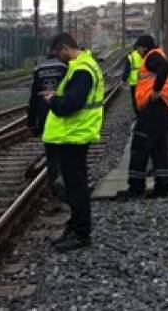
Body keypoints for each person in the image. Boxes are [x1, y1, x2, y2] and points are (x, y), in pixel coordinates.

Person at [40, 32, 104, 252]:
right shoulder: (83, 66)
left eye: (59, 53)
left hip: (75, 135)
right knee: (75, 186)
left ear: (66, 48)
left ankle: (81, 233)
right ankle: (76, 227)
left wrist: (53, 101)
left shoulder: (82, 70)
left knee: (76, 187)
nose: (59, 57)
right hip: (74, 134)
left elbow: (72, 104)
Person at [117, 35, 168, 200]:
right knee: (159, 148)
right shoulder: (159, 54)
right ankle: (162, 187)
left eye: (139, 48)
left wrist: (156, 91)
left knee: (139, 147)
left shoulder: (152, 57)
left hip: (153, 110)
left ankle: (136, 188)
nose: (138, 52)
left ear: (143, 47)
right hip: (164, 110)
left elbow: (164, 67)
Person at [27, 46, 68, 205]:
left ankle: (53, 186)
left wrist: (31, 122)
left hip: (44, 116)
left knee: (51, 155)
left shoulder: (39, 70)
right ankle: (64, 184)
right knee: (65, 153)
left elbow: (33, 99)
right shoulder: (65, 67)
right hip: (62, 114)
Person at [121, 42, 143, 114]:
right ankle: (143, 111)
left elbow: (127, 69)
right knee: (143, 96)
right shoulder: (143, 54)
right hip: (143, 80)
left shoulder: (131, 56)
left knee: (135, 98)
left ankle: (137, 112)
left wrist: (124, 79)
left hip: (134, 81)